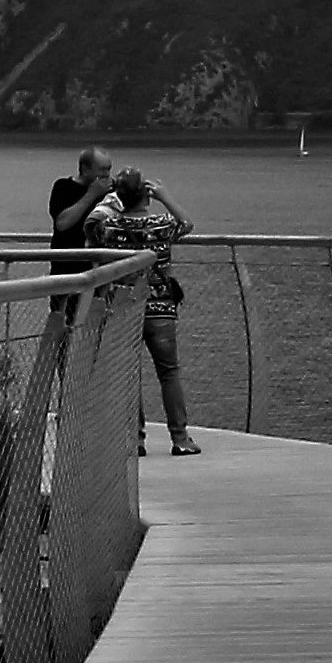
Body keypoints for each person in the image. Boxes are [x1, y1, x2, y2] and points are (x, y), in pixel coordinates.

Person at [101, 164, 201, 457]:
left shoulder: (112, 227)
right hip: (160, 308)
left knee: (130, 375)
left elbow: (90, 229)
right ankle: (180, 438)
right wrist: (165, 197)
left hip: (126, 308)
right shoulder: (162, 223)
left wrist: (109, 200)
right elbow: (187, 223)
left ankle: (136, 440)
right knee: (169, 373)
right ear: (146, 195)